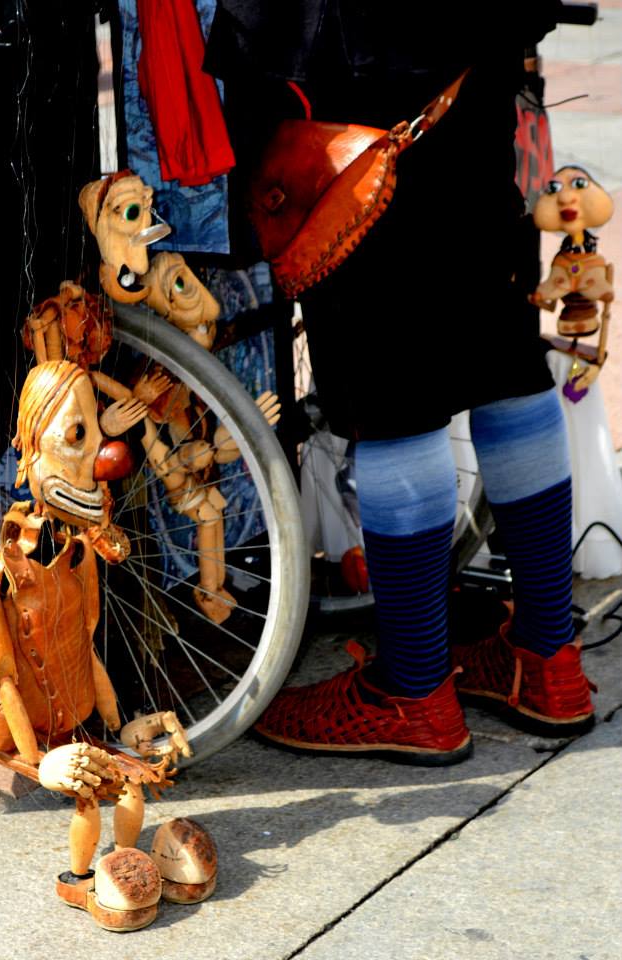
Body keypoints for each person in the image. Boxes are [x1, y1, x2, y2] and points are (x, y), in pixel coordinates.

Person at [203, 0, 595, 763]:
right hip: (467, 49)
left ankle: (414, 692)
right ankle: (549, 658)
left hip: (354, 68)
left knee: (396, 385)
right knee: (502, 353)